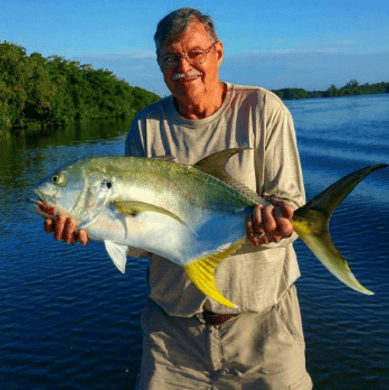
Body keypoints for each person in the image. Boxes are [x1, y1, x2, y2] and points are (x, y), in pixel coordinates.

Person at [43, 8, 313, 390]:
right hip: (172, 337)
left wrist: (280, 224)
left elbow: (290, 212)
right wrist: (93, 231)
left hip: (264, 331)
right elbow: (143, 238)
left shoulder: (263, 110)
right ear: (159, 64)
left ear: (218, 52)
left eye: (195, 53)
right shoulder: (146, 125)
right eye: (170, 58)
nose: (184, 66)